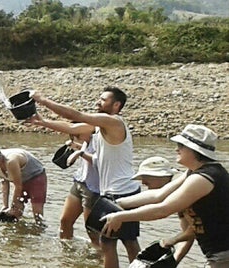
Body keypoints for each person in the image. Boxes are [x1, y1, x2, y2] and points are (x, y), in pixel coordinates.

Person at [27, 86, 141, 268]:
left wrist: (43, 100)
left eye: (103, 100)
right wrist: (42, 122)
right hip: (121, 191)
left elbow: (77, 115)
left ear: (116, 105)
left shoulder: (114, 122)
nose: (98, 101)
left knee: (110, 243)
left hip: (119, 193)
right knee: (127, 241)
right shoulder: (101, 126)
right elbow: (73, 126)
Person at [102, 124, 229, 267]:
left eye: (181, 145)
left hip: (222, 255)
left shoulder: (203, 178)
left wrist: (120, 217)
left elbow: (163, 209)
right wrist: (117, 202)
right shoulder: (194, 172)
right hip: (217, 254)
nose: (176, 149)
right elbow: (158, 195)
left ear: (194, 150)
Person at [116, 156, 195, 265]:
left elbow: (194, 230)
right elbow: (188, 232)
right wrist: (173, 262)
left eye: (145, 177)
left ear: (160, 176)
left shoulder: (188, 190)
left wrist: (172, 240)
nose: (142, 182)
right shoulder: (177, 190)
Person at [58, 128, 102, 248]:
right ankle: (66, 257)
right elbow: (86, 150)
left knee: (92, 231)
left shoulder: (101, 140)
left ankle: (98, 258)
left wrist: (80, 153)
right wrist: (76, 146)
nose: (75, 134)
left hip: (93, 189)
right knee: (65, 221)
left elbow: (101, 162)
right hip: (79, 182)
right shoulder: (86, 141)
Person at [0, 146, 47, 224]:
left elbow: (18, 186)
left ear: (0, 157)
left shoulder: (11, 161)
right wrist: (5, 206)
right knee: (15, 213)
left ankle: (40, 230)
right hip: (21, 180)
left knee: (37, 215)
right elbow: (4, 182)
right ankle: (16, 233)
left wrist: (13, 205)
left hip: (36, 177)